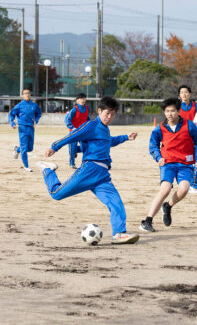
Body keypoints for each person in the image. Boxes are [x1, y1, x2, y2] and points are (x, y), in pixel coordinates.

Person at [35, 96, 140, 245]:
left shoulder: (105, 129)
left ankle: (119, 234)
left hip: (103, 176)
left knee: (116, 203)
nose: (109, 117)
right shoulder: (91, 126)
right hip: (89, 170)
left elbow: (109, 142)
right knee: (57, 194)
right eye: (107, 113)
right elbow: (72, 135)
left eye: (113, 114)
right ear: (99, 111)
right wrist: (54, 147)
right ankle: (48, 171)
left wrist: (125, 138)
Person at [140, 98, 197, 232]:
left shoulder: (189, 125)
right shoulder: (160, 128)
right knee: (165, 189)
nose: (170, 114)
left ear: (178, 111)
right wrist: (158, 157)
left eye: (173, 111)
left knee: (184, 189)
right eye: (167, 111)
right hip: (167, 163)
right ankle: (147, 220)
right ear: (164, 112)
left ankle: (168, 206)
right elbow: (153, 145)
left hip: (185, 164)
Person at [8, 88, 42, 172]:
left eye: (28, 93)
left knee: (29, 148)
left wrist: (36, 121)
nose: (27, 95)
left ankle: (17, 149)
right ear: (22, 95)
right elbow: (11, 114)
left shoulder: (34, 105)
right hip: (22, 127)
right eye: (25, 93)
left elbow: (38, 113)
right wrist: (12, 123)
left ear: (30, 95)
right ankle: (26, 166)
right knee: (24, 147)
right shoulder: (19, 106)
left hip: (31, 128)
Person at [64, 93, 90, 169]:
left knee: (85, 147)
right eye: (80, 98)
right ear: (77, 101)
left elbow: (87, 118)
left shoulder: (87, 108)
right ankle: (72, 163)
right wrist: (72, 127)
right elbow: (67, 119)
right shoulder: (75, 109)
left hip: (83, 131)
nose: (82, 100)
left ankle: (85, 163)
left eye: (84, 98)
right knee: (72, 147)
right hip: (74, 132)